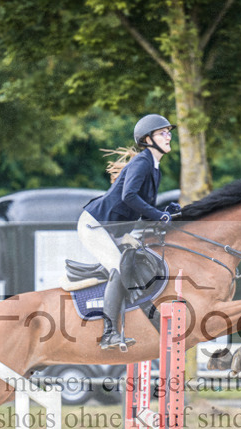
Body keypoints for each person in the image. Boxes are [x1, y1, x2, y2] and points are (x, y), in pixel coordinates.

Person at [78, 114, 181, 349]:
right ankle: (109, 334)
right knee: (118, 268)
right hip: (95, 225)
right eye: (163, 132)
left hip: (112, 230)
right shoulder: (142, 162)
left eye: (169, 132)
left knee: (137, 269)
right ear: (147, 139)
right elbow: (129, 196)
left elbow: (143, 209)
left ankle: (143, 323)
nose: (169, 136)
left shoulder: (154, 169)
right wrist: (157, 214)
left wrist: (166, 211)